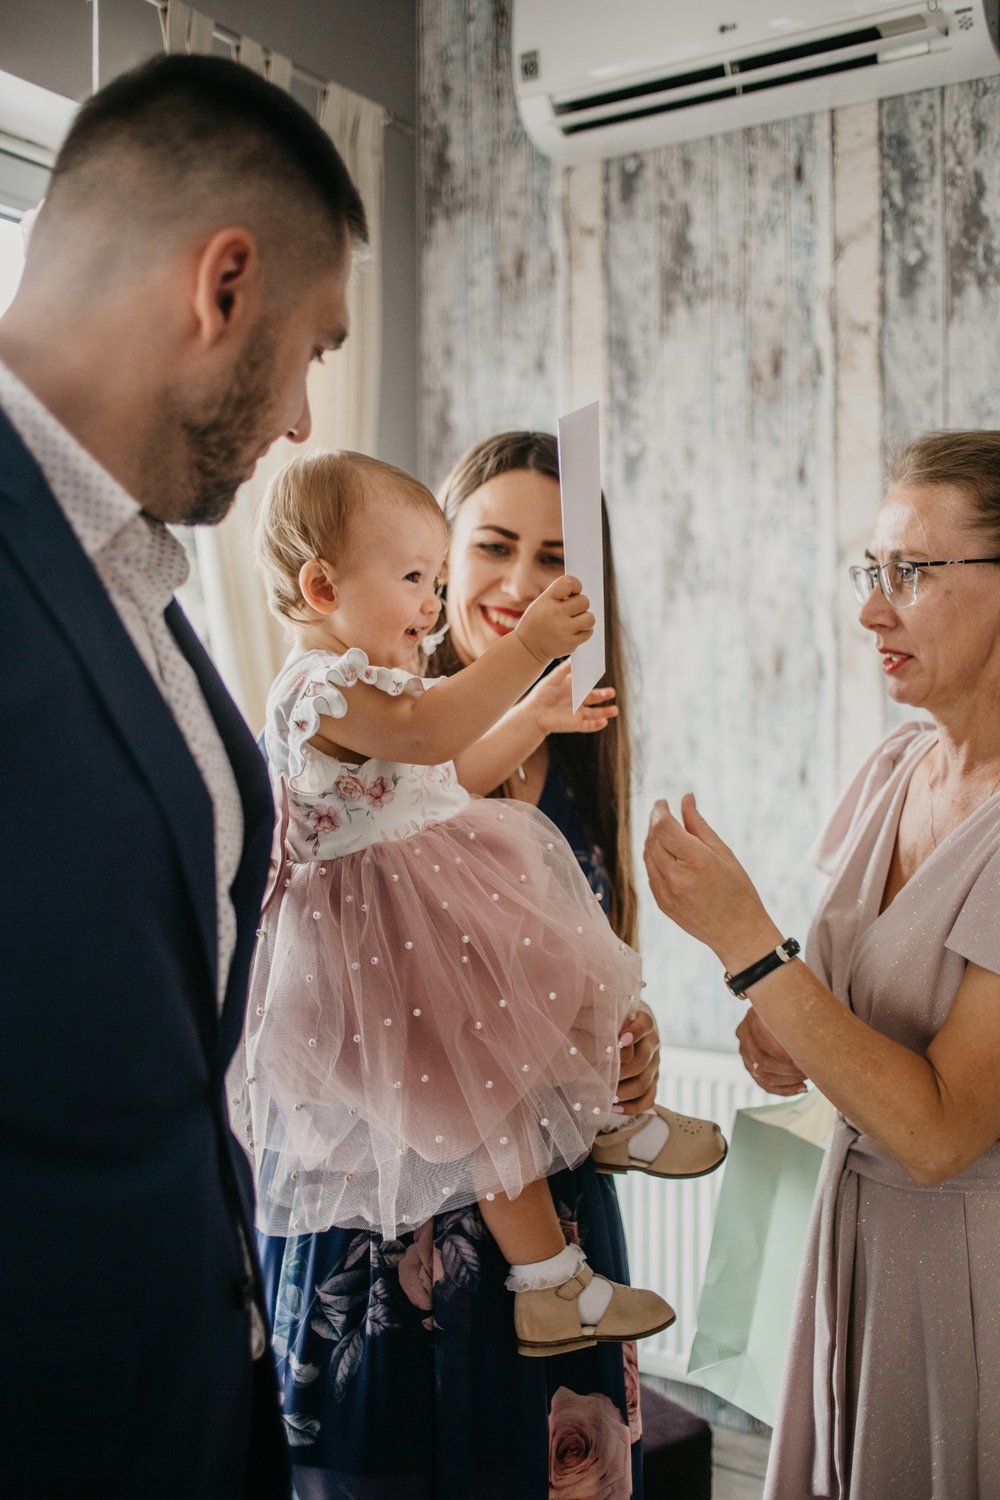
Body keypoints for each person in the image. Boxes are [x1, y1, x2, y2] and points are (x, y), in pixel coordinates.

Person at [0, 53, 366, 1497]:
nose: (303, 422)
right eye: (314, 350)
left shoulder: (138, 578)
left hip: (189, 1391)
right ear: (223, 287)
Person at [255, 431, 721, 1498]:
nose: (521, 585)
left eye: (555, 559)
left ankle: (599, 1161)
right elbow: (427, 740)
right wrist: (530, 662)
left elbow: (472, 805)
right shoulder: (354, 703)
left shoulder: (558, 762)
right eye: (487, 549)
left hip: (551, 1195)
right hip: (392, 1244)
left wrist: (628, 1042)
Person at [643, 430, 1000, 1499]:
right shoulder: (893, 767)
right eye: (869, 571)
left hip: (967, 1279)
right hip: (847, 1247)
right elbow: (822, 1000)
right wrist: (778, 1019)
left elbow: (938, 1133)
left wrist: (749, 949)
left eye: (911, 572)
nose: (870, 612)